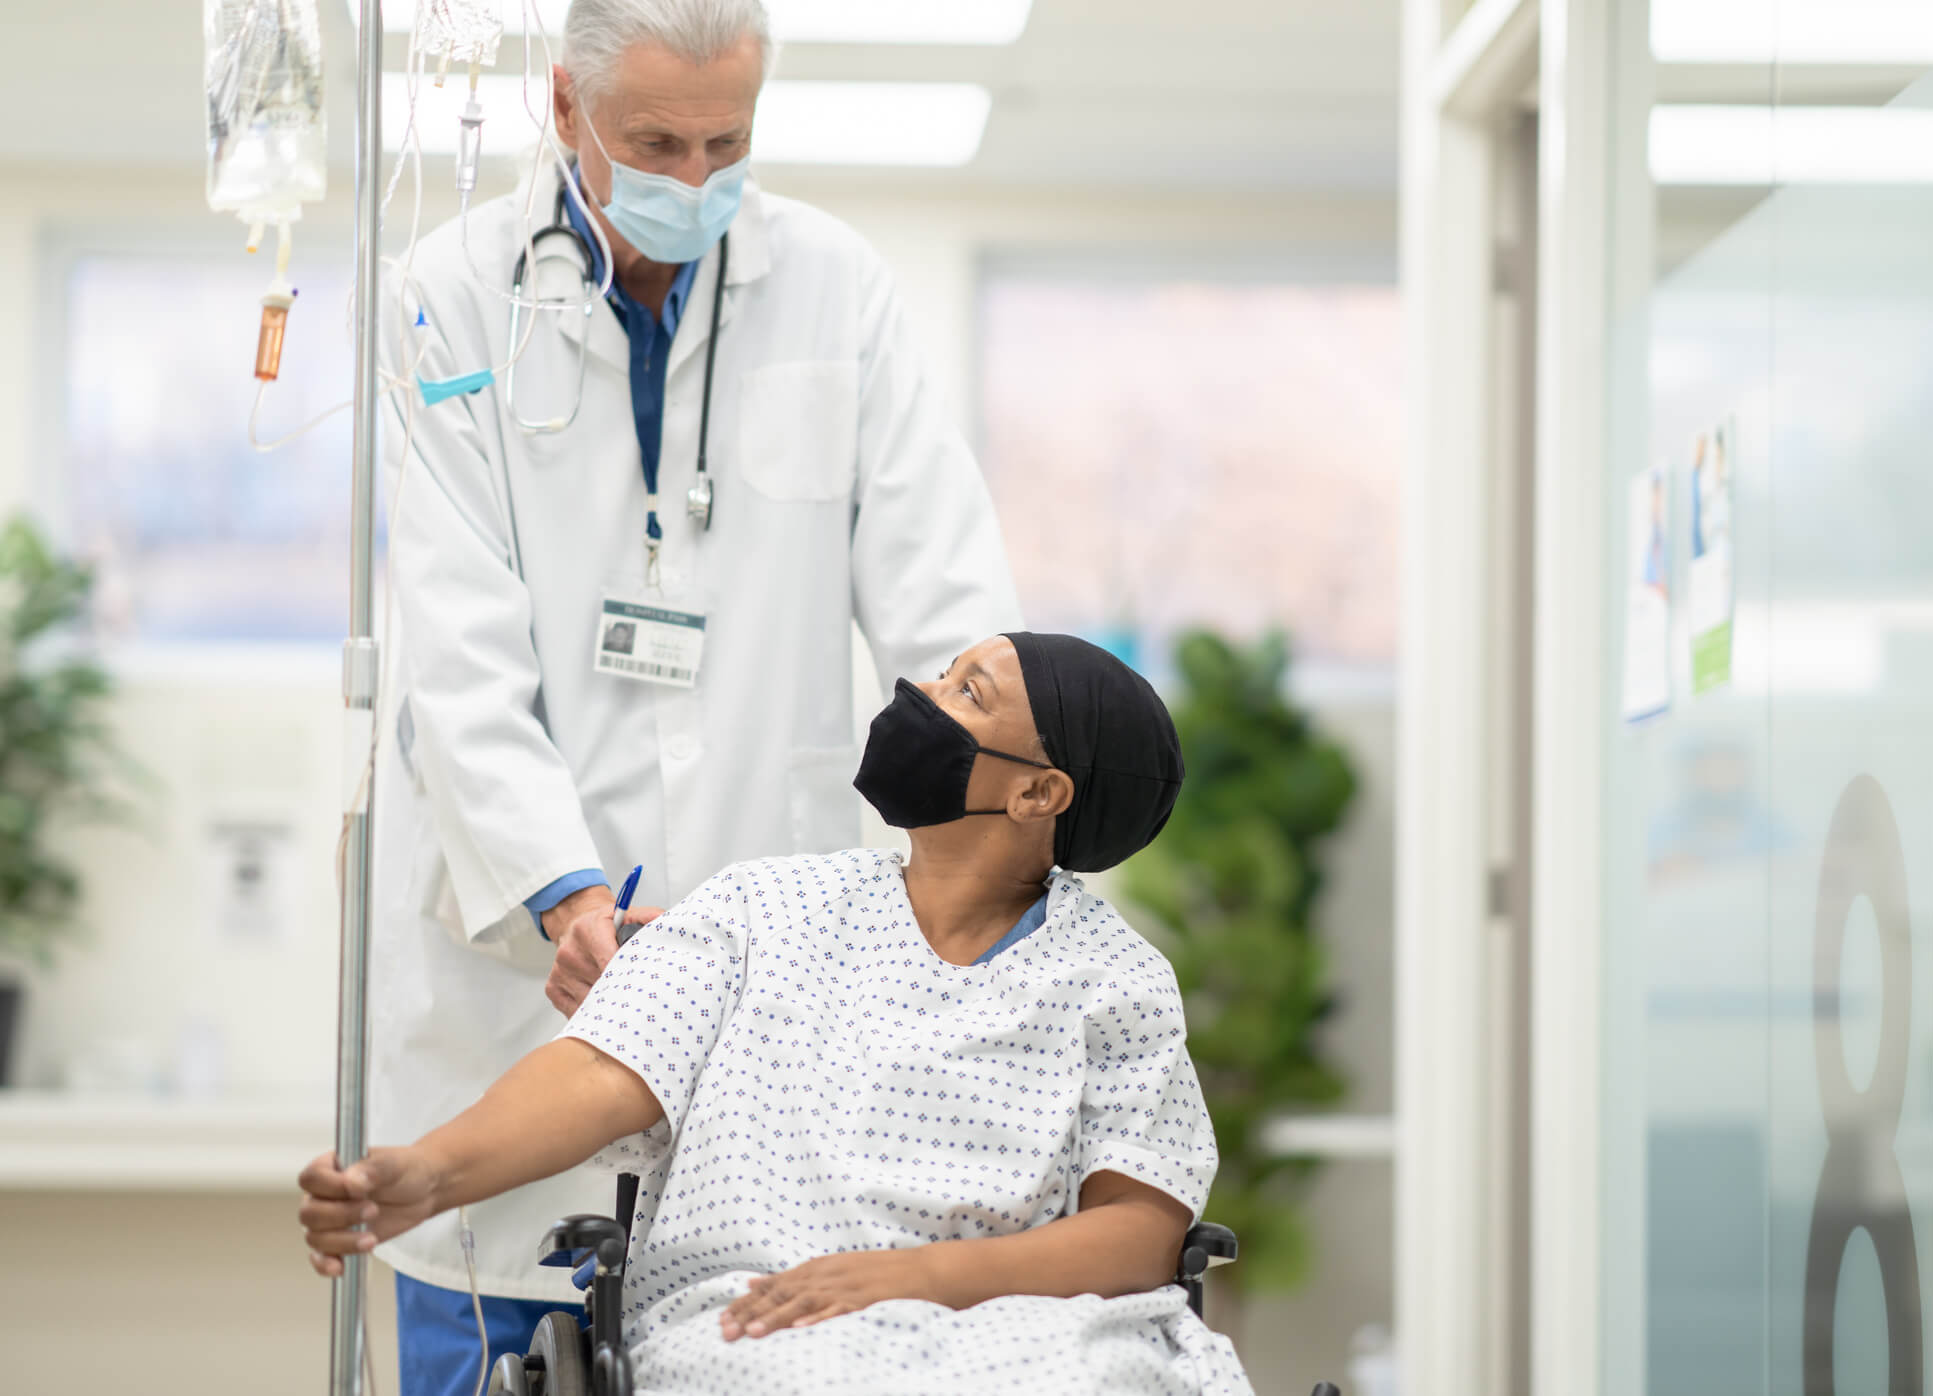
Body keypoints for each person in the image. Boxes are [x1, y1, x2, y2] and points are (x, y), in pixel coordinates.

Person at [370, 1, 1020, 1388]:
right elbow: (456, 646)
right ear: (564, 111)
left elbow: (947, 617)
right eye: (654, 140)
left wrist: (983, 847)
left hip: (769, 965)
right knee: (501, 1325)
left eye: (727, 140)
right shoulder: (451, 293)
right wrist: (563, 889)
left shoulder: (837, 288)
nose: (693, 177)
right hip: (514, 981)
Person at [303, 635, 1252, 1395]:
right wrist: (432, 1174)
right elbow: (601, 1071)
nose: (920, 692)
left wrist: (907, 1279)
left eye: (966, 692)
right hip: (766, 1320)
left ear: (1037, 792)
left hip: (1038, 1335)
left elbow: (1137, 1234)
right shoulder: (759, 910)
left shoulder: (1113, 980)